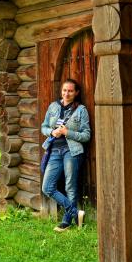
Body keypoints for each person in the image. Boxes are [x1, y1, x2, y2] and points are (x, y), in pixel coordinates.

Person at [41, 78, 91, 232]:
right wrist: (52, 132)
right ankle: (76, 213)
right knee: (47, 187)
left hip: (72, 151)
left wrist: (67, 132)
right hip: (54, 150)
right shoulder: (53, 107)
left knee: (70, 186)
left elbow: (86, 135)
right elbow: (44, 127)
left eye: (70, 91)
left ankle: (66, 221)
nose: (67, 93)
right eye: (64, 90)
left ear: (76, 93)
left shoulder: (81, 110)